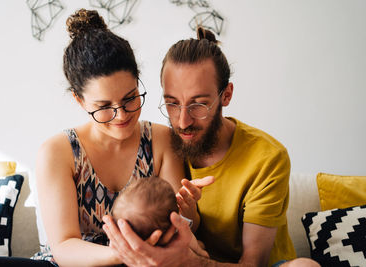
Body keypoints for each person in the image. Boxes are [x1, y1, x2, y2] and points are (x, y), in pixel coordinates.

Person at [103, 28, 321, 267]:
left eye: (199, 105)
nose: (183, 122)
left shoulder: (267, 157)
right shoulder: (161, 144)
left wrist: (189, 262)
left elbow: (253, 262)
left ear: (226, 95)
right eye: (172, 104)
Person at [31, 8, 208, 267]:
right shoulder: (58, 152)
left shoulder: (160, 141)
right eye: (104, 107)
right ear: (79, 100)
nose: (121, 115)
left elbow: (179, 226)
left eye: (130, 99)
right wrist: (124, 253)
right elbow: (64, 247)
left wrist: (189, 211)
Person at [112, 176, 209, 258]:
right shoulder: (184, 239)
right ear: (173, 220)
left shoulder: (125, 251)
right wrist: (200, 249)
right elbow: (202, 255)